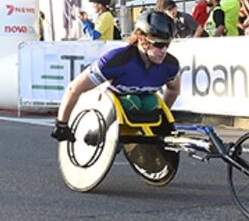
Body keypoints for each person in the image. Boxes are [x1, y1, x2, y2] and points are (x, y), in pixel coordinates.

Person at [51, 11, 180, 141]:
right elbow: (74, 88)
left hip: (144, 106)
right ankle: (99, 131)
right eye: (158, 44)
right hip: (112, 105)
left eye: (167, 44)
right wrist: (62, 123)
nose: (164, 50)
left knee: (151, 103)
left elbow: (173, 90)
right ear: (141, 39)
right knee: (132, 101)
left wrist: (162, 116)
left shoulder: (171, 65)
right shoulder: (117, 60)